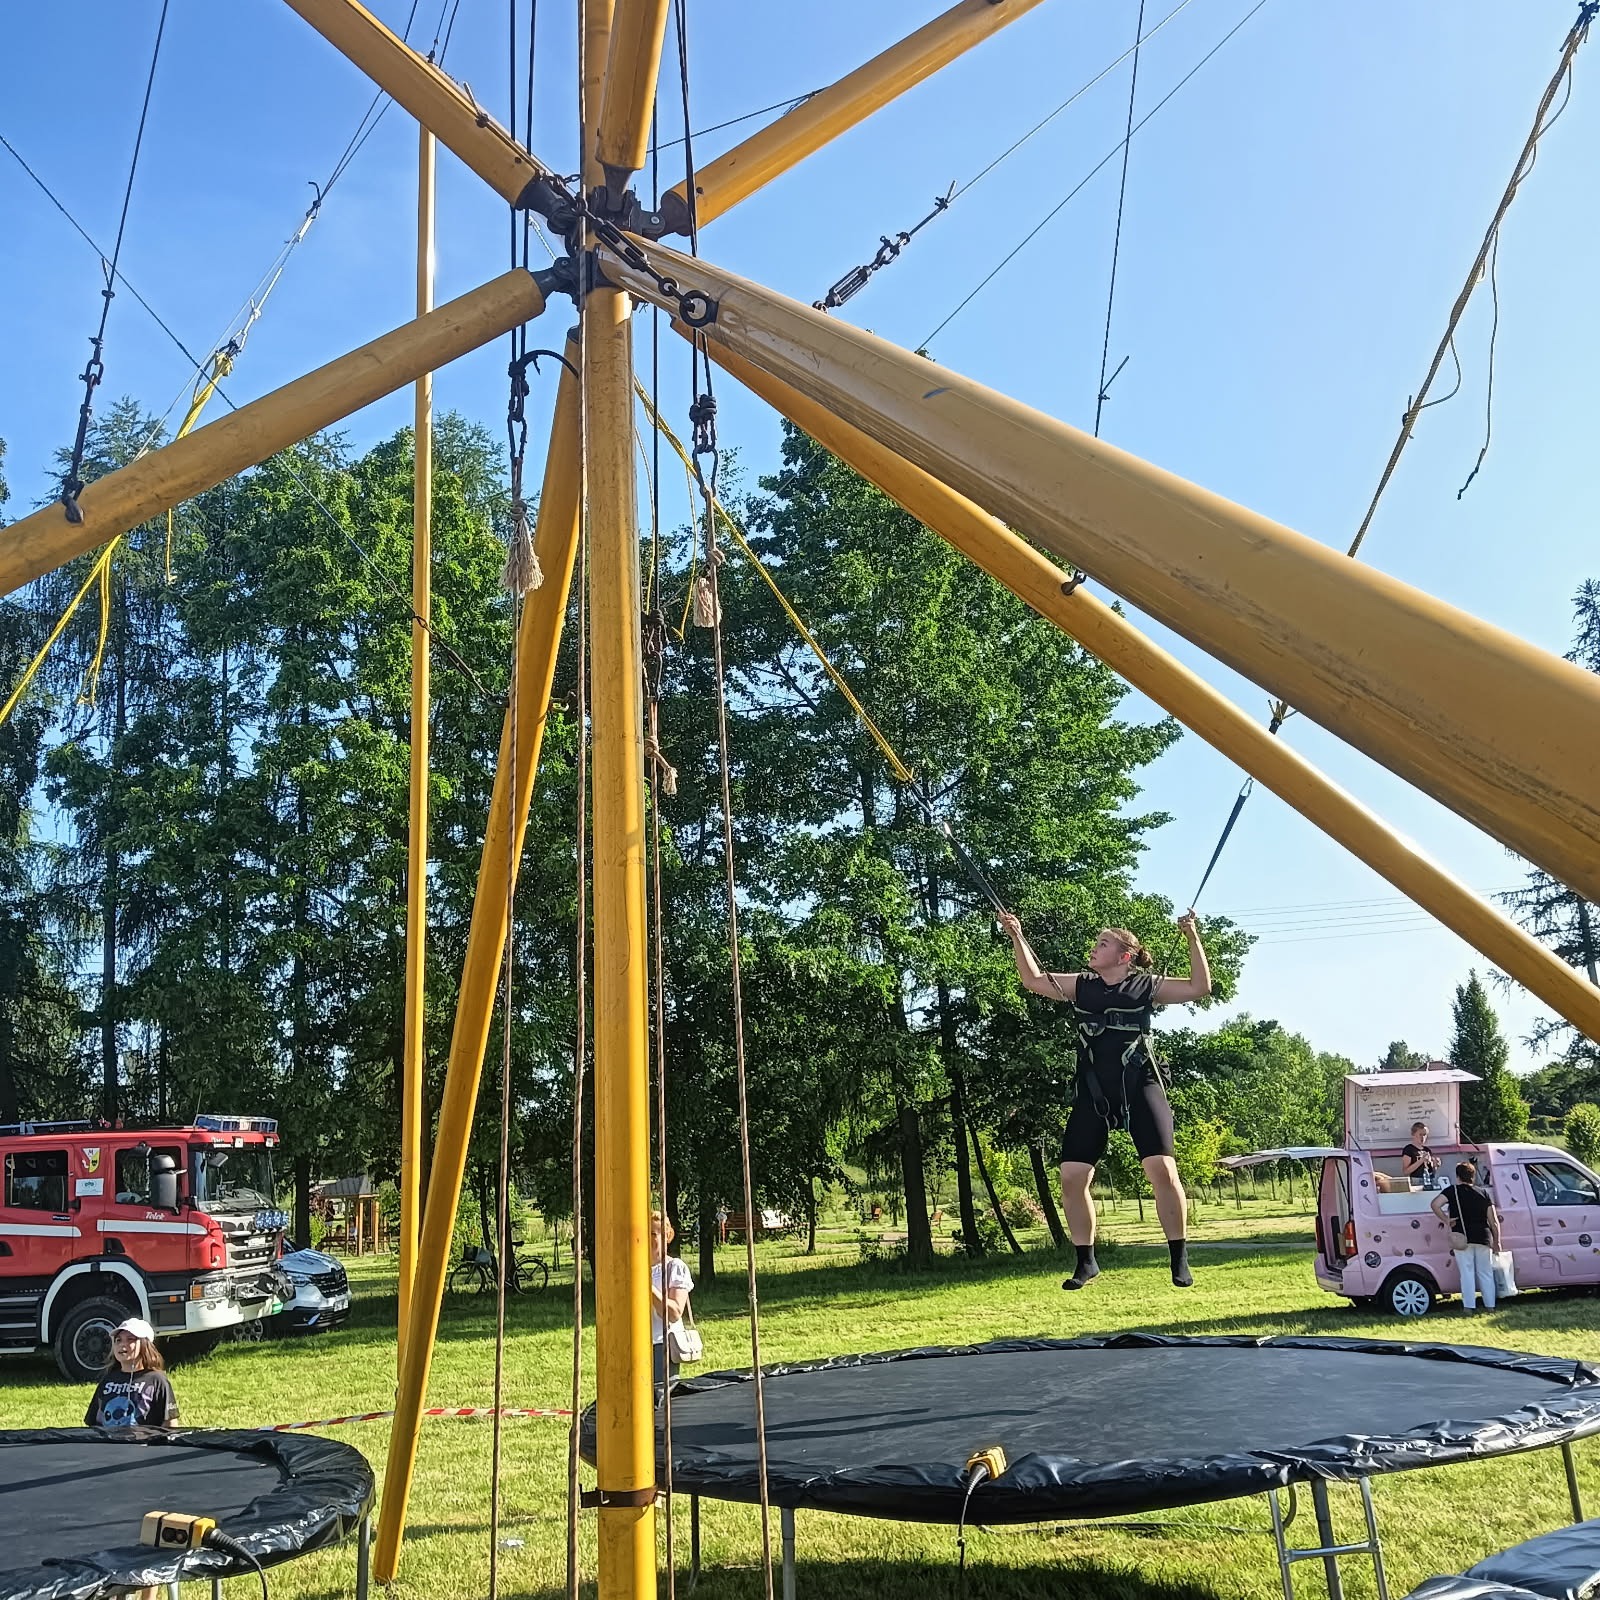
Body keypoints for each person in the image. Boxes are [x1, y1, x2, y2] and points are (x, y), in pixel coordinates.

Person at [999, 910, 1212, 1291]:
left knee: (1162, 1169)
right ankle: (1086, 1262)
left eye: (1103, 944)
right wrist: (1017, 936)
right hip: (1094, 1090)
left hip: (1140, 1085)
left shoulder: (1146, 986)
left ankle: (1178, 1257)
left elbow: (1199, 987)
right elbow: (1032, 980)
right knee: (1071, 1176)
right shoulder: (1083, 986)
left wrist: (1192, 937)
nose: (1093, 949)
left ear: (1124, 956)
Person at [84, 1318, 180, 1429]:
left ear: (145, 1345)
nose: (122, 1344)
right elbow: (94, 1423)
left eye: (130, 1339)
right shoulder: (107, 1380)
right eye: (118, 1340)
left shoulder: (157, 1380)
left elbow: (170, 1423)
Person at [1432, 1161, 1501, 1312]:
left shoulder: (1452, 1191)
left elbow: (1435, 1204)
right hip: (1483, 1237)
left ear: (1458, 1176)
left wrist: (1446, 1220)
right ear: (1473, 1177)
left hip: (1462, 1237)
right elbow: (1493, 1221)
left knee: (1467, 1273)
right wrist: (1497, 1241)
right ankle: (1490, 1306)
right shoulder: (1483, 1193)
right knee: (1486, 1273)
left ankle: (1469, 1307)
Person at [649, 1211, 693, 1404]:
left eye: (653, 1234)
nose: (648, 1239)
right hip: (631, 1346)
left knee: (660, 1401)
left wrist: (647, 1286)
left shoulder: (675, 1267)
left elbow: (674, 1313)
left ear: (667, 1236)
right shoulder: (628, 1268)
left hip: (662, 1347)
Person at [1401, 1121, 1442, 1190]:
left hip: (1429, 1179)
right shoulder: (1409, 1149)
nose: (1423, 1137)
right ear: (1413, 1134)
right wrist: (1421, 1160)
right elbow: (1406, 1171)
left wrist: (1435, 1165)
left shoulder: (1427, 1150)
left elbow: (1431, 1171)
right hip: (1416, 1180)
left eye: (1424, 1135)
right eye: (1420, 1135)